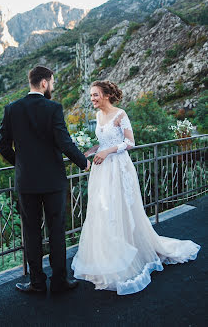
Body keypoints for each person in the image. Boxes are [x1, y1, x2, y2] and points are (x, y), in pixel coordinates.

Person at [71, 80, 200, 295]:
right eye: (91, 95)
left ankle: (130, 253)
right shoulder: (98, 116)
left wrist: (108, 151)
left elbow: (131, 143)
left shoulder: (120, 114)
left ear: (105, 95)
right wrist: (90, 151)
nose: (92, 99)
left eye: (95, 95)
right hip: (102, 170)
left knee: (120, 209)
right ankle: (109, 254)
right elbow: (102, 143)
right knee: (103, 210)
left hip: (119, 168)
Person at [0, 66, 90, 294]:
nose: (53, 85)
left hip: (27, 182)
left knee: (31, 232)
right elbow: (65, 142)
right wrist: (84, 163)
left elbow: (2, 145)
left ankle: (37, 283)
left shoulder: (12, 109)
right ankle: (60, 281)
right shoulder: (53, 108)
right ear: (45, 83)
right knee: (57, 230)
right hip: (52, 181)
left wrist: (21, 164)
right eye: (53, 81)